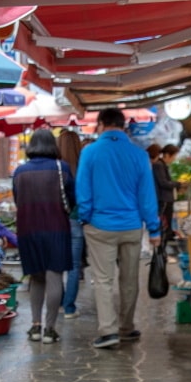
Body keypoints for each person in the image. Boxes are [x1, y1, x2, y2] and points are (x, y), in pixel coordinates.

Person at [75, 107, 160, 349]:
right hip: (132, 226)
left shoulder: (90, 152)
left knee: (103, 280)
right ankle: (126, 327)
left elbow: (83, 191)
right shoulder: (138, 154)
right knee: (130, 279)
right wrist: (153, 229)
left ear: (101, 124)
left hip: (100, 225)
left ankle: (108, 331)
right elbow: (147, 196)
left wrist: (85, 217)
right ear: (123, 125)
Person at [12, 128, 74, 342]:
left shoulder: (20, 172)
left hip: (28, 230)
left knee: (36, 278)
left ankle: (35, 326)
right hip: (56, 228)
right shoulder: (62, 168)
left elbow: (16, 199)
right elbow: (72, 199)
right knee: (54, 275)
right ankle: (50, 328)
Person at [58, 129, 85, 319]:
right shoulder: (82, 166)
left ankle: (58, 301)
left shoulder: (56, 168)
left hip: (56, 220)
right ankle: (69, 307)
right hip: (76, 219)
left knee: (58, 265)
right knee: (74, 266)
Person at [150, 143, 176, 242]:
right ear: (168, 155)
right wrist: (177, 184)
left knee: (166, 224)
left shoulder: (162, 165)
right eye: (174, 156)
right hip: (163, 199)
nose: (174, 159)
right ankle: (162, 247)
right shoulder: (159, 165)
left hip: (166, 199)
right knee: (164, 225)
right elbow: (163, 182)